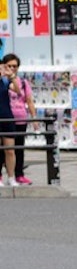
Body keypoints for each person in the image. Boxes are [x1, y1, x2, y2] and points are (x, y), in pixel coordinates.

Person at [3, 53, 35, 185]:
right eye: (9, 66)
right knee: (4, 149)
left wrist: (34, 117)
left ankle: (19, 174)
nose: (12, 68)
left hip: (20, 117)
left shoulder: (22, 82)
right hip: (6, 117)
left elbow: (28, 99)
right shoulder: (3, 81)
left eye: (15, 66)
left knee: (19, 148)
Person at [0, 58, 18, 187]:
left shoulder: (6, 81)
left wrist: (11, 76)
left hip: (7, 117)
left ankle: (11, 177)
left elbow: (18, 90)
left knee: (10, 150)